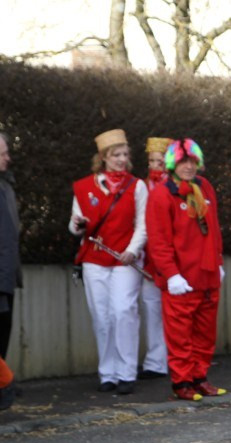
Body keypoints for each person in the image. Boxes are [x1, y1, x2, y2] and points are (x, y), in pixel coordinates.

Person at [145, 138, 227, 401]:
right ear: (172, 165)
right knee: (180, 335)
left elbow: (213, 229)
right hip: (181, 278)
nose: (188, 167)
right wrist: (171, 274)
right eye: (183, 162)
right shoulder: (161, 194)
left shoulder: (205, 187)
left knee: (205, 333)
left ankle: (199, 378)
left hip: (207, 275)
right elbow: (159, 241)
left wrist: (218, 262)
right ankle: (182, 383)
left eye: (192, 161)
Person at [69, 129, 147, 395]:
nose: (121, 160)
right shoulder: (83, 187)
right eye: (116, 155)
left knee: (123, 311)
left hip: (124, 259)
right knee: (101, 317)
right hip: (94, 258)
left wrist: (133, 250)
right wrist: (78, 225)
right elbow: (75, 224)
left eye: (125, 154)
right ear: (103, 157)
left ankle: (127, 372)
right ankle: (108, 373)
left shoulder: (138, 186)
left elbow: (143, 224)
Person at [137, 136, 172, 380]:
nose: (155, 165)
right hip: (147, 256)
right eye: (152, 161)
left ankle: (177, 358)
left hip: (171, 257)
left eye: (160, 161)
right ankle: (155, 361)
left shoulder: (177, 186)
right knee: (151, 309)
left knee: (174, 311)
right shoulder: (141, 186)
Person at [0, 132, 19, 361]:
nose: (8, 158)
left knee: (4, 330)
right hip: (2, 276)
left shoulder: (6, 186)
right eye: (3, 154)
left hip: (6, 276)